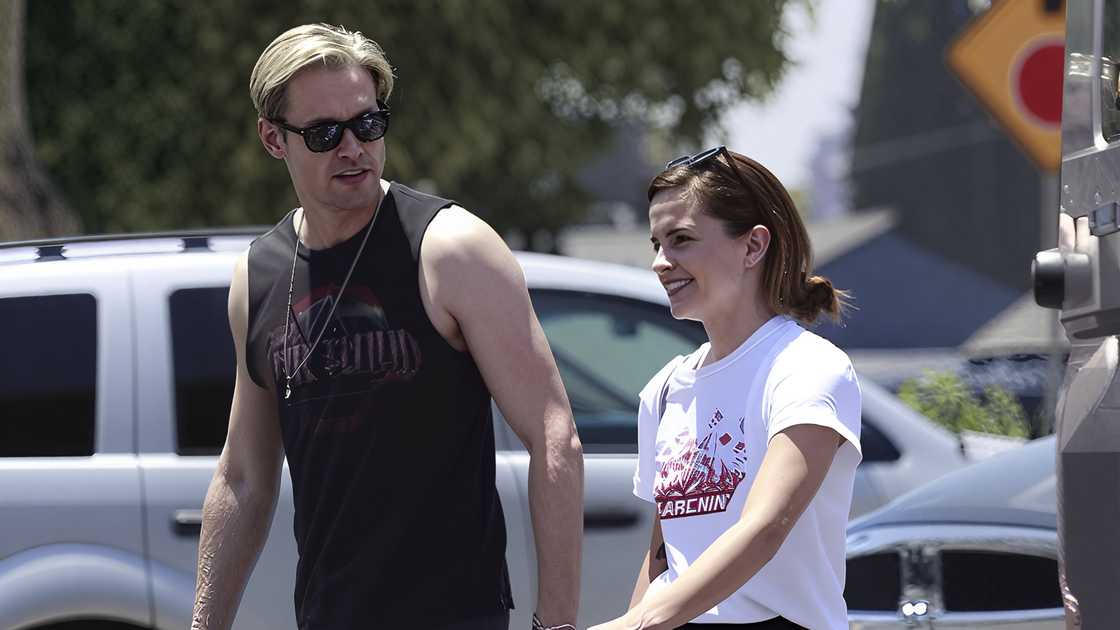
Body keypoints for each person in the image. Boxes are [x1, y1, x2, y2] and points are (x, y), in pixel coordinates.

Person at [189, 23, 583, 630]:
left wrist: (555, 625)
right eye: (324, 134)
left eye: (368, 124)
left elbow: (554, 434)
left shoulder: (451, 250)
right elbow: (243, 476)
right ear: (274, 139)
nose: (354, 148)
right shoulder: (258, 276)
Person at [589, 147, 861, 630]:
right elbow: (664, 560)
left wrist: (633, 626)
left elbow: (764, 528)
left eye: (681, 240)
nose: (659, 262)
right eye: (656, 243)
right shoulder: (666, 388)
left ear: (753, 246)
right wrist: (638, 618)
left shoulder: (809, 368)